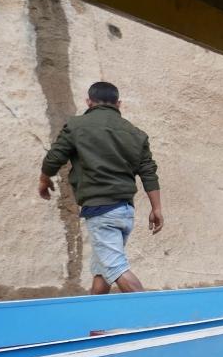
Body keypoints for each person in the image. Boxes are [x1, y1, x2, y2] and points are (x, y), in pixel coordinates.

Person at [38, 82, 164, 294]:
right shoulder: (136, 133)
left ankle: (152, 312)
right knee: (102, 271)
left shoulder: (77, 125)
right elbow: (148, 172)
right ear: (119, 104)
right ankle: (93, 317)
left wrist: (44, 180)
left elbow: (54, 157)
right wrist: (156, 208)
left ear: (89, 102)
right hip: (125, 211)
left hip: (101, 210)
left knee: (116, 268)